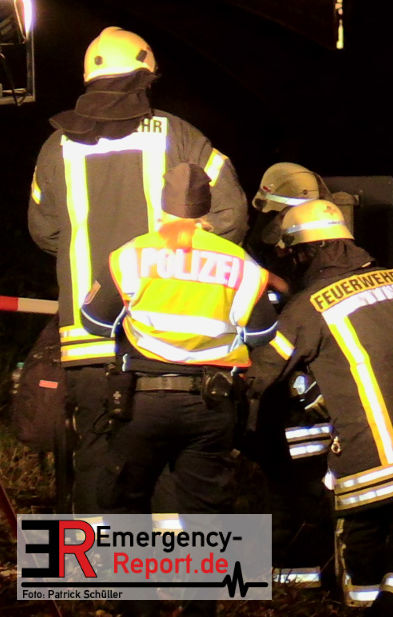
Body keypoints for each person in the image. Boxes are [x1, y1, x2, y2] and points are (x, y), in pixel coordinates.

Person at [27, 26, 248, 514]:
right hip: (169, 342)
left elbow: (44, 233)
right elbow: (230, 217)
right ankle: (173, 560)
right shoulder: (180, 136)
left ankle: (99, 561)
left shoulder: (55, 147)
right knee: (172, 473)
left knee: (98, 465)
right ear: (146, 76)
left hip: (87, 341)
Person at [246, 199, 393, 614]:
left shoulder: (306, 309)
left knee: (361, 566)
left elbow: (260, 376)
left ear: (305, 253)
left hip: (364, 471)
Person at [79, 163, 274, 518]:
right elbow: (262, 333)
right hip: (211, 405)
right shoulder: (240, 262)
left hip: (142, 403)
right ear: (207, 209)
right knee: (207, 514)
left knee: (122, 504)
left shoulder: (130, 254)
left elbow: (94, 322)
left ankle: (134, 557)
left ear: (162, 204)